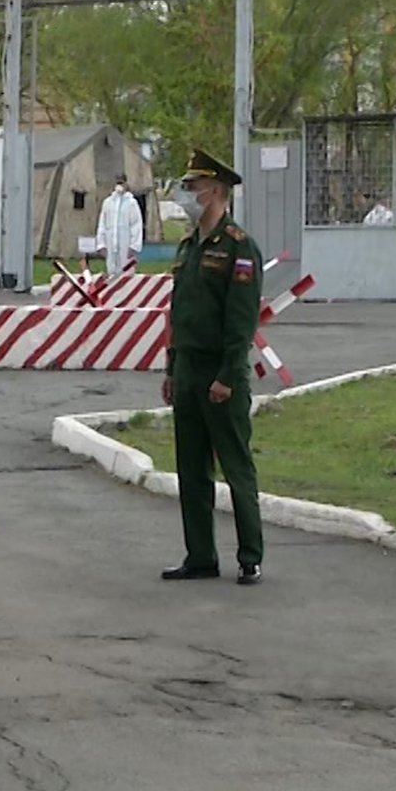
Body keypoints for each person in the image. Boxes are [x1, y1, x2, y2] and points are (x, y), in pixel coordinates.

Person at [161, 147, 265, 587]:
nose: (188, 194)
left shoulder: (238, 247)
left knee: (236, 466)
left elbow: (241, 322)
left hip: (220, 374)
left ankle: (250, 557)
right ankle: (200, 555)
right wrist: (170, 368)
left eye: (194, 186)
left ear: (216, 191)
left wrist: (227, 375)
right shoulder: (188, 248)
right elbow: (178, 312)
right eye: (186, 186)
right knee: (191, 467)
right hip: (187, 369)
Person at [97, 173, 144, 276]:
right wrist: (101, 244)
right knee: (111, 272)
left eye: (121, 182)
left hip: (125, 245)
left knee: (126, 273)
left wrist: (134, 246)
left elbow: (136, 225)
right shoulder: (108, 202)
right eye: (117, 182)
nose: (119, 185)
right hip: (110, 245)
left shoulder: (131, 203)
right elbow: (102, 225)